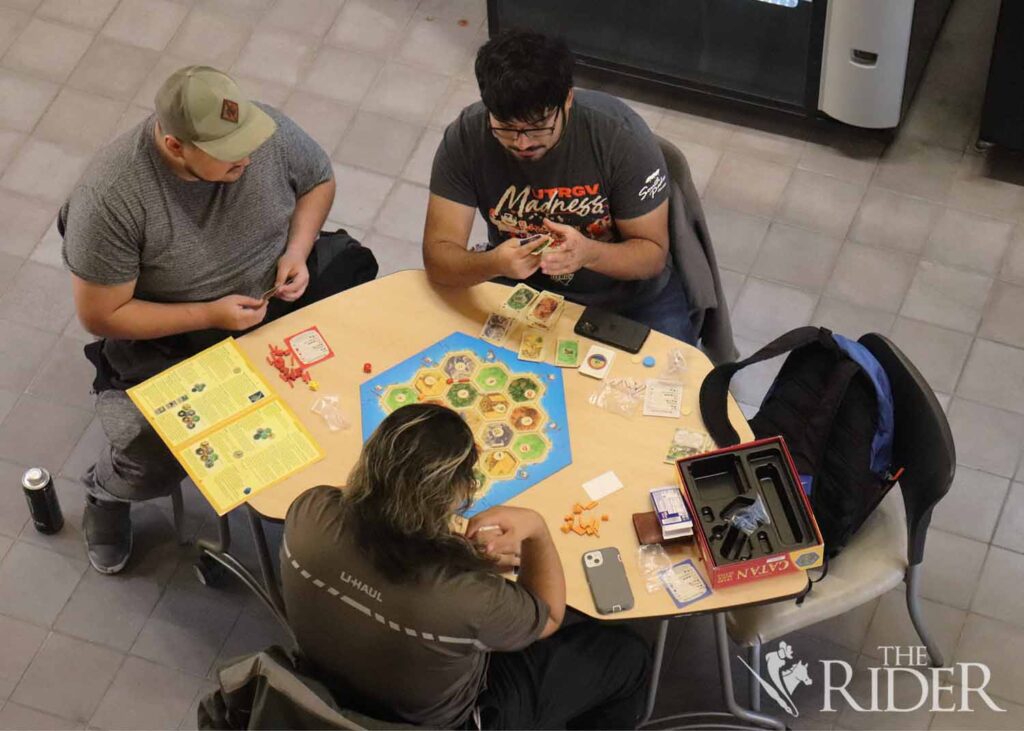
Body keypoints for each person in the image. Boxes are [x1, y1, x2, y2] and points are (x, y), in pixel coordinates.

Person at [62, 65, 374, 575]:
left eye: (248, 141)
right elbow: (101, 314)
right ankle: (106, 493)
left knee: (357, 322)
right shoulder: (112, 198)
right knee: (151, 455)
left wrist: (298, 249)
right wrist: (210, 313)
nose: (248, 157)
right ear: (175, 145)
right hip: (179, 334)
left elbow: (318, 179)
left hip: (274, 292)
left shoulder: (261, 134)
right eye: (229, 152)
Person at [282, 404, 650, 729]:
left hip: (322, 691)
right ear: (457, 495)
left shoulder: (308, 513)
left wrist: (452, 551)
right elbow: (549, 617)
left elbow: (365, 513)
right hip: (443, 721)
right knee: (628, 657)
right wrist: (536, 529)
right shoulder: (469, 596)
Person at [424, 29, 695, 343]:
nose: (522, 143)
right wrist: (493, 262)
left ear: (567, 99)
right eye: (506, 128)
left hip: (629, 298)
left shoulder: (620, 139)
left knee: (680, 381)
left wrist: (589, 253)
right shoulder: (467, 137)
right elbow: (438, 261)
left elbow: (651, 255)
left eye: (538, 127)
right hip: (522, 288)